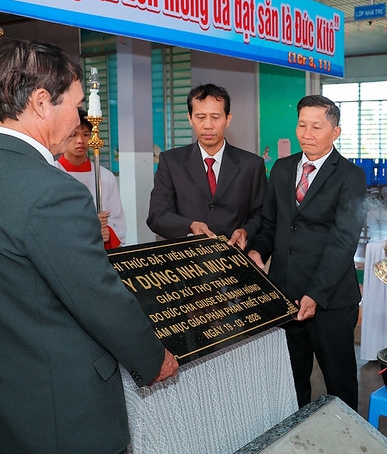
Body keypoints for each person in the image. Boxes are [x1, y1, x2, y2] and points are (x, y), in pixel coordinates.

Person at [0, 38, 178, 452]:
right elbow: (96, 296)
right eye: (77, 105)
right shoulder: (52, 191)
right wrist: (151, 359)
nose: (80, 118)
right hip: (62, 410)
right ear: (41, 102)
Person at [247, 95, 366, 410]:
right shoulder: (283, 168)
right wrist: (258, 251)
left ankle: (345, 434)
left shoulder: (350, 176)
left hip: (330, 300)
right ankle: (296, 433)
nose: (307, 134)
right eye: (302, 125)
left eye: (316, 126)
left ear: (335, 132)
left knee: (339, 383)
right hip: (284, 293)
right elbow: (271, 222)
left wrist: (316, 293)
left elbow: (344, 241)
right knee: (291, 381)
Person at [147, 83, 266, 249]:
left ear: (228, 119)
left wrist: (246, 230)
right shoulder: (171, 161)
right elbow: (157, 215)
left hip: (233, 256)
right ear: (190, 119)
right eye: (200, 117)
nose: (208, 125)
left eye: (215, 117)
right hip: (187, 257)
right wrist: (190, 226)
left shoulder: (251, 165)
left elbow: (261, 213)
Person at [56, 110, 127, 248]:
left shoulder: (105, 176)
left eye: (86, 134)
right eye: (73, 134)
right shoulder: (53, 172)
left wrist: (107, 232)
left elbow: (117, 220)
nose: (80, 141)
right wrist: (90, 224)